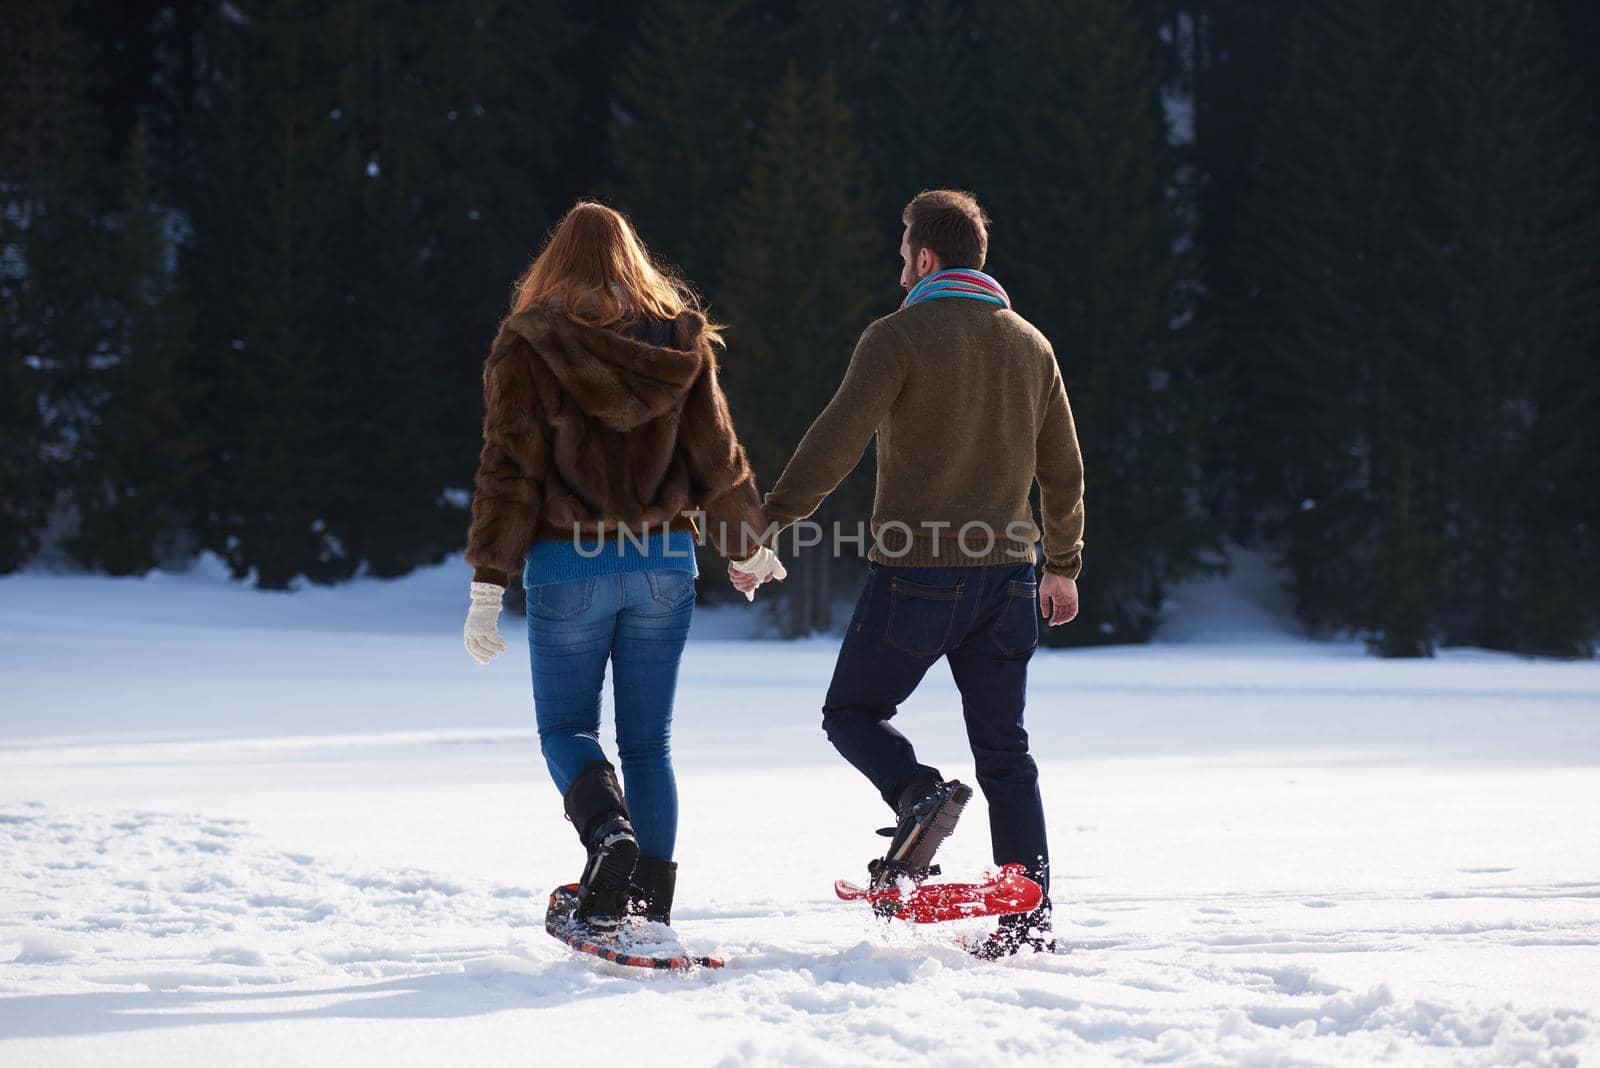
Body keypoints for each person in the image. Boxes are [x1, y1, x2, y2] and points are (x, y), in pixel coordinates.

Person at [733, 189, 1084, 958]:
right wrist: (1062, 566)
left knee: (851, 712)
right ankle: (1028, 923)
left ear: (926, 258)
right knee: (1006, 754)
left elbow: (836, 442)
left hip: (920, 574)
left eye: (903, 259)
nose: (899, 275)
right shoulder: (1033, 345)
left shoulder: (898, 336)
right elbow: (1064, 471)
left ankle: (917, 792)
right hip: (1012, 580)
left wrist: (766, 525)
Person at [462, 201, 786, 938]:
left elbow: (508, 469)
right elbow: (717, 455)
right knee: (648, 745)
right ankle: (648, 907)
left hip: (567, 566)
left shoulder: (528, 343)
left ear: (556, 262)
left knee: (566, 729)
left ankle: (608, 838)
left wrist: (489, 581)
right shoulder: (680, 342)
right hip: (663, 566)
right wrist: (746, 543)